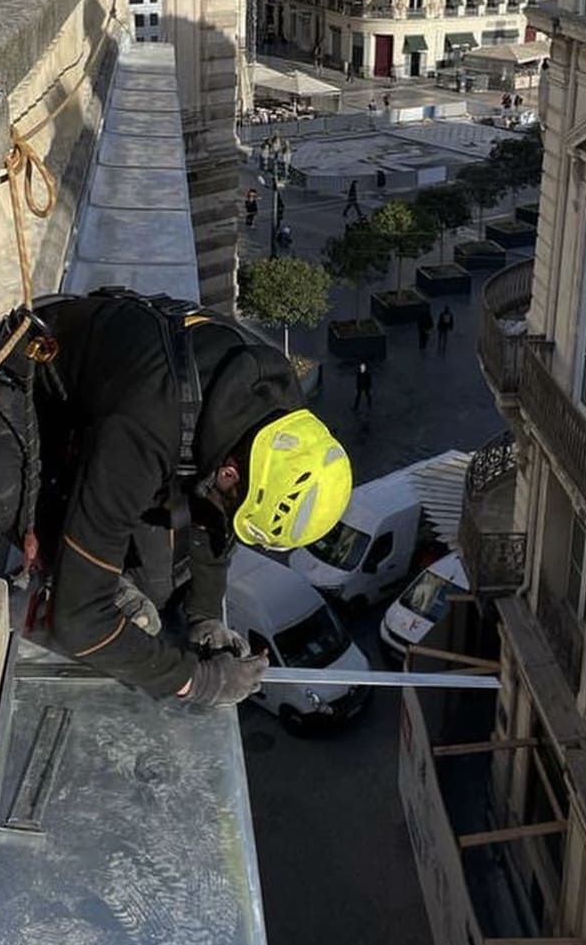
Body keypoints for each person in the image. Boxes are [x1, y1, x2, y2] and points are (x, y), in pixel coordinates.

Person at [24, 291, 353, 706]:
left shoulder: (272, 416)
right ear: (230, 473)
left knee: (158, 583)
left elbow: (214, 519)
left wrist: (205, 615)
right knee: (20, 509)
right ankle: (54, 549)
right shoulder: (146, 428)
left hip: (106, 409)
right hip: (31, 393)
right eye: (233, 502)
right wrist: (198, 681)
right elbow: (78, 620)